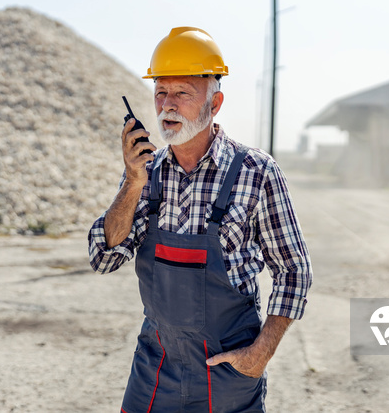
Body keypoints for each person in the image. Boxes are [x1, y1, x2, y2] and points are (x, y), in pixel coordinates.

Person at [88, 27, 312, 412]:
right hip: (155, 368)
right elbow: (104, 257)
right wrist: (132, 182)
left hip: (228, 373)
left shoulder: (256, 172)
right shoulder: (146, 173)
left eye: (182, 93)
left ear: (215, 102)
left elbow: (294, 271)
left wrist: (259, 355)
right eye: (161, 92)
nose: (167, 106)